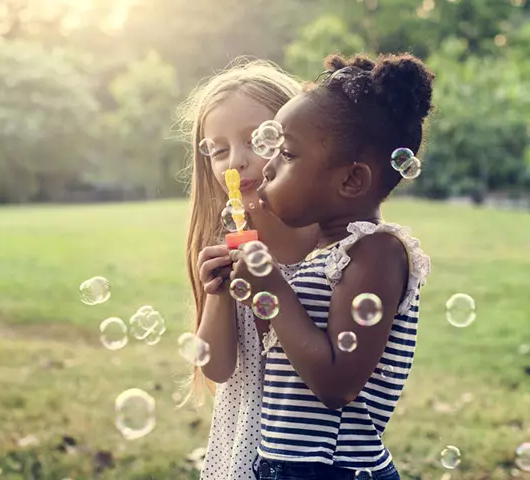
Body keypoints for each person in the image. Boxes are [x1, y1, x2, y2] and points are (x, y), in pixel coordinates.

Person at [229, 53, 434, 480]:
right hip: (286, 463)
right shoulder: (323, 253)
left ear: (351, 180)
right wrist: (254, 288)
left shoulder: (376, 252)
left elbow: (337, 384)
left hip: (336, 468)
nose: (267, 167)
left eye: (286, 153)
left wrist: (272, 286)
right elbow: (291, 353)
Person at [176, 58, 318, 479]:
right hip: (238, 452)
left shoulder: (329, 247)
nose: (235, 162)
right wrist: (218, 294)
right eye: (219, 151)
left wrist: (270, 283)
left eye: (257, 140)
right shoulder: (226, 250)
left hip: (305, 459)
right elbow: (217, 368)